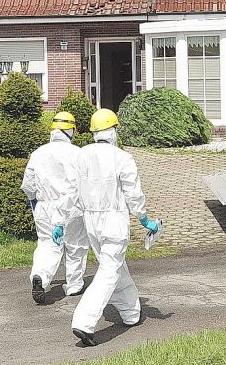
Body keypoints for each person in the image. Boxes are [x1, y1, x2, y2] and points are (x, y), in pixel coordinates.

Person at [65, 108, 160, 347]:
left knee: (116, 267)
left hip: (91, 223)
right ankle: (84, 321)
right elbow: (133, 193)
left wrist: (60, 222)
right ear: (114, 130)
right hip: (114, 222)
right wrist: (144, 218)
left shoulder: (81, 155)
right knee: (108, 271)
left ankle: (130, 313)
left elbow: (71, 193)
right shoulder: (122, 157)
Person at [21, 111, 88, 304]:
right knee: (75, 245)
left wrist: (35, 202)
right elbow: (81, 183)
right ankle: (74, 284)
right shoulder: (77, 153)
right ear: (72, 130)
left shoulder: (38, 153)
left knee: (47, 244)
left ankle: (40, 275)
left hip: (44, 206)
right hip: (71, 206)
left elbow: (28, 185)